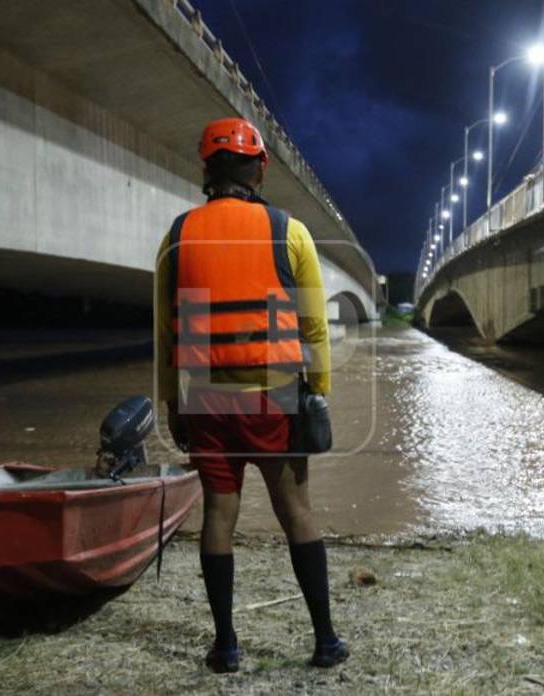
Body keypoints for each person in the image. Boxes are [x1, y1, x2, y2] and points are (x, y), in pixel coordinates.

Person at [154, 117, 348, 673]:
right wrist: (319, 390)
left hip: (206, 400)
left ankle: (226, 646)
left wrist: (172, 400)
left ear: (206, 169)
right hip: (274, 399)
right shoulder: (289, 231)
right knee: (297, 513)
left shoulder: (178, 235)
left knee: (219, 516)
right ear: (260, 168)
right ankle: (325, 642)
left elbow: (167, 329)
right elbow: (314, 327)